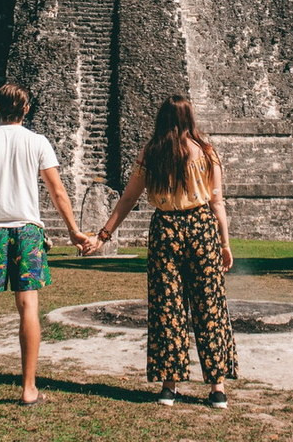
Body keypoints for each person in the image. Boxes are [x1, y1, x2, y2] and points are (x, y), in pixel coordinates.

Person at [83, 94, 238, 408]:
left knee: (168, 307)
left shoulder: (151, 153)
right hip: (201, 228)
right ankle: (217, 388)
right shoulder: (206, 152)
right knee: (210, 307)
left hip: (165, 229)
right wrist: (224, 243)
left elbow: (128, 199)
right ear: (189, 119)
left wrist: (104, 234)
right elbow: (217, 202)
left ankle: (170, 385)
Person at [0, 83, 87, 408]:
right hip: (28, 230)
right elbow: (58, 191)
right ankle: (28, 389)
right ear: (26, 108)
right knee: (28, 307)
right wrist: (73, 231)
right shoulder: (37, 142)